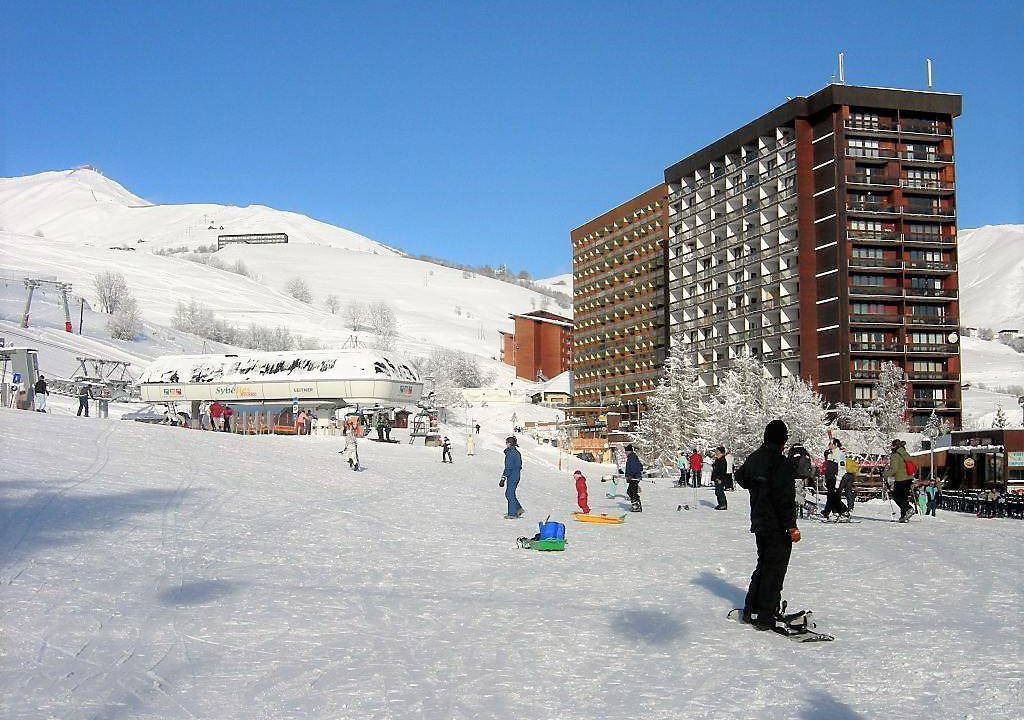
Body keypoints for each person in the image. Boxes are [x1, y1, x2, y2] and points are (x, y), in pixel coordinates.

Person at [734, 419, 800, 630]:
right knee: (775, 569)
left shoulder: (755, 458)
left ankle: (751, 607)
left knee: (763, 564)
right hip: (777, 524)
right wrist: (791, 526)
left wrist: (758, 486)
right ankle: (765, 614)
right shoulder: (781, 463)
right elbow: (785, 499)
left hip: (759, 521)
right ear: (783, 441)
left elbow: (741, 477)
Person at [820, 441, 849, 521]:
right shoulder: (830, 453)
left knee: (834, 496)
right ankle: (829, 512)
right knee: (831, 496)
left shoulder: (840, 454)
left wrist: (838, 480)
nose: (829, 445)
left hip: (836, 478)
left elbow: (842, 468)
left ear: (835, 445)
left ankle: (843, 511)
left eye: (831, 444)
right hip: (829, 478)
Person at [889, 439, 915, 522]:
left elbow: (894, 469)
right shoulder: (904, 453)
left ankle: (908, 509)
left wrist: (885, 473)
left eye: (892, 445)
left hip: (900, 479)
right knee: (904, 497)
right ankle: (904, 516)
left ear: (895, 446)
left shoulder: (895, 455)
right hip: (909, 478)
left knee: (897, 497)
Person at [787, 444, 812, 519]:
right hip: (804, 477)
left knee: (793, 494)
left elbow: (789, 464)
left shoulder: (793, 453)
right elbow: (809, 465)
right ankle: (799, 510)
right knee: (800, 492)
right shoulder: (805, 453)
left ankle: (806, 505)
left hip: (795, 476)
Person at [500, 436, 523, 518]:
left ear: (509, 443)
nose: (506, 444)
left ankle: (512, 513)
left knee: (510, 494)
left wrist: (503, 478)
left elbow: (508, 467)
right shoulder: (516, 452)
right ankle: (518, 509)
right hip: (516, 475)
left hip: (512, 475)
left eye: (506, 443)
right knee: (509, 493)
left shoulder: (511, 453)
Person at [624, 444, 643, 512]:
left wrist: (630, 476)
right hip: (634, 477)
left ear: (629, 451)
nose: (625, 453)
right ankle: (636, 504)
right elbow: (640, 466)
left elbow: (634, 468)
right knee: (631, 491)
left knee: (631, 492)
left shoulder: (632, 457)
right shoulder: (632, 457)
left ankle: (636, 506)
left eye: (626, 451)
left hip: (634, 477)